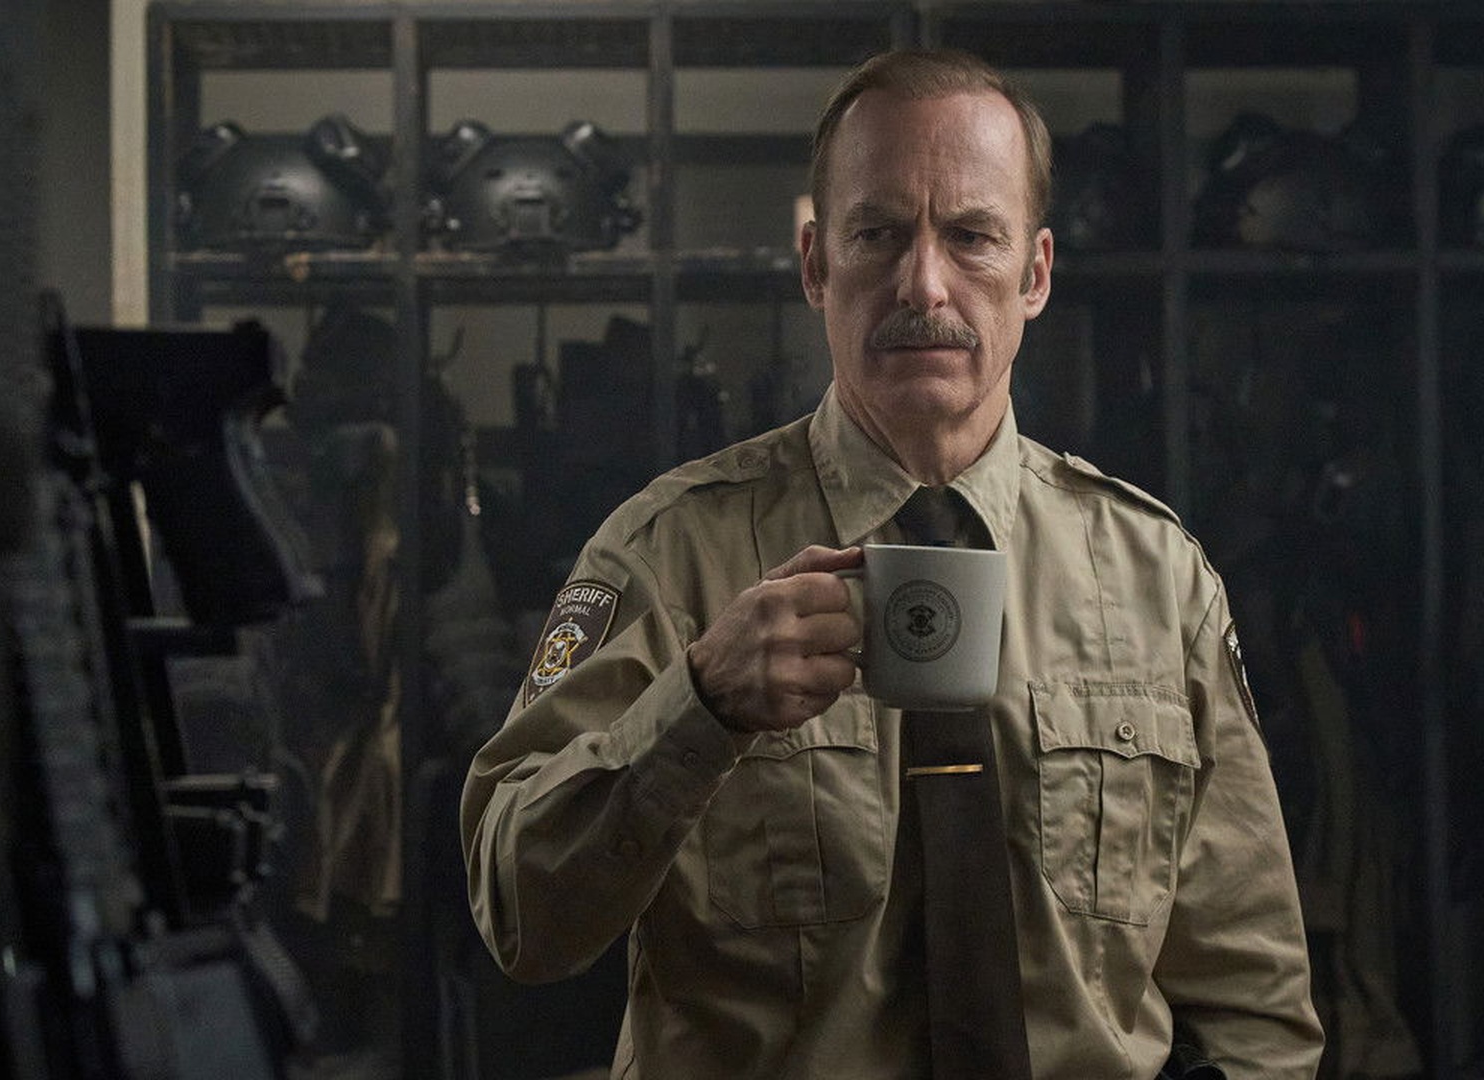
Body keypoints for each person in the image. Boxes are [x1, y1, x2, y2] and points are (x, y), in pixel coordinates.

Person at [461, 48, 1324, 1079]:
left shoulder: (1155, 576)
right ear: (815, 265)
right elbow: (521, 919)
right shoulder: (667, 555)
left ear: (1035, 274)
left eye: (972, 236)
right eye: (877, 235)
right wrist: (699, 708)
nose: (924, 283)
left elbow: (1256, 1005)